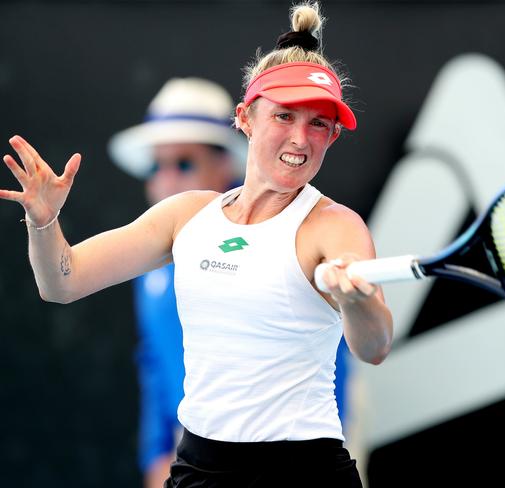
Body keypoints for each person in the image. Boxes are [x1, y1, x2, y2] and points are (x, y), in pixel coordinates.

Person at [0, 2, 392, 486]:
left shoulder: (336, 226)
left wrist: (358, 301)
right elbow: (63, 282)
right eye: (285, 116)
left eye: (319, 124)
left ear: (333, 134)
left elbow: (373, 347)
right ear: (246, 119)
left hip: (301, 471)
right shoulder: (186, 216)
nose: (301, 138)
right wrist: (43, 222)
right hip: (196, 468)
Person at [107, 78, 246, 488]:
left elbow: (328, 357)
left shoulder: (270, 236)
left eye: (184, 163)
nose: (167, 180)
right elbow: (154, 359)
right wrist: (157, 454)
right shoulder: (148, 257)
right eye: (157, 165)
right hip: (191, 455)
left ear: (226, 165)